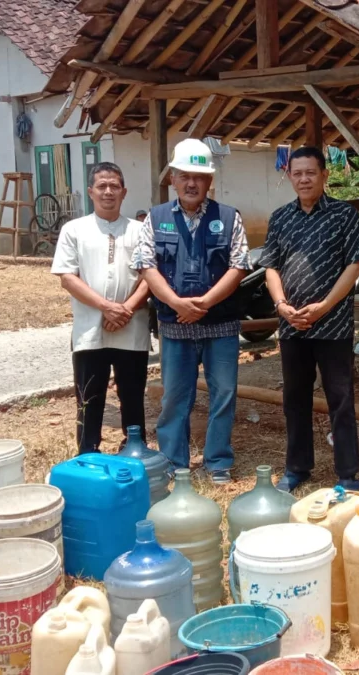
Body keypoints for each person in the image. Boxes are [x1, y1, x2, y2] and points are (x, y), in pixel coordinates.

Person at [134, 139, 251, 484]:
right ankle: (173, 462)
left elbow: (239, 266)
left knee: (224, 394)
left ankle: (217, 462)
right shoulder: (155, 219)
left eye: (199, 177)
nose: (191, 183)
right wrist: (176, 303)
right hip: (175, 325)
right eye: (184, 175)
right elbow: (145, 265)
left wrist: (205, 303)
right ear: (172, 178)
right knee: (175, 396)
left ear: (209, 181)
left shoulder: (230, 218)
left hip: (221, 325)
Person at [263, 146, 359, 492]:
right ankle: (297, 468)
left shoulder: (344, 215)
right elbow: (271, 267)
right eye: (297, 173)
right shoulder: (280, 217)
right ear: (289, 176)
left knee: (340, 399)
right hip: (292, 326)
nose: (304, 178)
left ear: (325, 175)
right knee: (295, 399)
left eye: (311, 172)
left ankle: (348, 475)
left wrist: (324, 306)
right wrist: (281, 305)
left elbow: (355, 265)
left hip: (333, 325)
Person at [51, 162, 150, 454]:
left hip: (132, 329)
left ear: (124, 192)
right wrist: (107, 307)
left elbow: (150, 275)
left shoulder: (141, 230)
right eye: (102, 186)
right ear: (91, 192)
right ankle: (87, 453)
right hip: (89, 331)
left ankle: (135, 451)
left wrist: (126, 310)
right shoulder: (74, 230)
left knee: (132, 396)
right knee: (89, 396)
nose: (108, 191)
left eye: (114, 186)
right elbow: (68, 278)